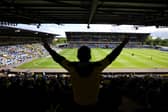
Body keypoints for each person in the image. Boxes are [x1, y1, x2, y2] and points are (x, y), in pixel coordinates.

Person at [42, 38, 129, 112]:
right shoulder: (98, 66)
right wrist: (123, 44)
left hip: (76, 104)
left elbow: (58, 58)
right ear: (90, 56)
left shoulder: (71, 67)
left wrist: (48, 48)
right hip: (94, 104)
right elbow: (112, 56)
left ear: (78, 56)